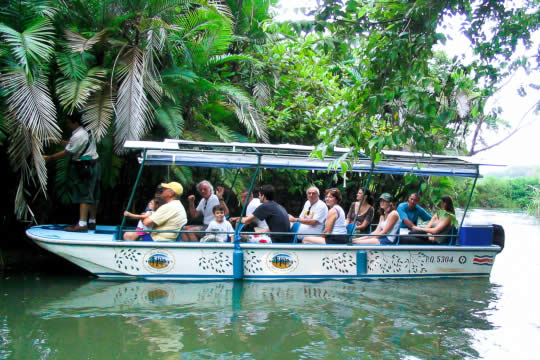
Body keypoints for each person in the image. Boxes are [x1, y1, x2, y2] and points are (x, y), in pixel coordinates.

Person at [43, 116, 100, 232]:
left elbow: (68, 151)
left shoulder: (78, 135)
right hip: (94, 165)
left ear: (75, 122)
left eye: (69, 122)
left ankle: (82, 224)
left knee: (84, 194)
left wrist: (50, 158)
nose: (67, 125)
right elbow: (74, 144)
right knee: (93, 194)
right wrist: (57, 140)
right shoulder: (88, 131)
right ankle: (92, 222)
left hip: (84, 166)